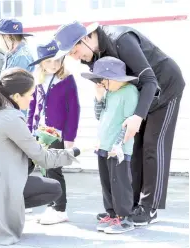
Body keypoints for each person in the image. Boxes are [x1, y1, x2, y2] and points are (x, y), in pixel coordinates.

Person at [53, 21, 185, 225]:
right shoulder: (91, 56)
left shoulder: (121, 40)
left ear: (85, 38)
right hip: (137, 94)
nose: (75, 57)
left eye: (74, 50)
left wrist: (138, 116)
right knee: (132, 146)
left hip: (165, 87)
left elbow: (150, 81)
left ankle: (149, 208)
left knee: (152, 145)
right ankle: (129, 205)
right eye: (70, 55)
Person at [0, 67, 81, 245]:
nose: (32, 98)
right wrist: (74, 152)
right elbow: (44, 158)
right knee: (53, 188)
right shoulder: (10, 117)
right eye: (30, 94)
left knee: (25, 173)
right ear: (16, 96)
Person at [81, 56, 139, 233]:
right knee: (106, 181)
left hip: (118, 148)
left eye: (102, 80)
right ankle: (112, 213)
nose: (100, 83)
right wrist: (98, 97)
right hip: (103, 146)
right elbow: (100, 116)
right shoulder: (109, 92)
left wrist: (118, 145)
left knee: (119, 183)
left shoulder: (130, 92)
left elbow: (130, 123)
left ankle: (125, 217)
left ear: (113, 78)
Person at [27, 39, 80, 225]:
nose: (53, 64)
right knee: (44, 170)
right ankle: (51, 206)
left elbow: (74, 110)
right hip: (40, 132)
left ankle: (60, 209)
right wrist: (28, 131)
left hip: (57, 134)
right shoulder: (38, 80)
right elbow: (32, 107)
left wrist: (70, 138)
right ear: (41, 63)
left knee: (54, 171)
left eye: (57, 60)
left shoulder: (66, 80)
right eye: (48, 61)